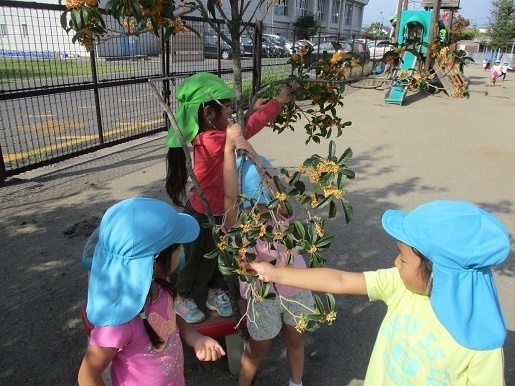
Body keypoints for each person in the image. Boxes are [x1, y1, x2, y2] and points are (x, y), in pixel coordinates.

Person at [246, 200, 510, 385]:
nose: (396, 263)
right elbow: (339, 280)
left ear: (440, 273)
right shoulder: (401, 284)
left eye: (403, 260)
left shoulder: (481, 343)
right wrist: (276, 273)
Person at [165, 72, 295, 323]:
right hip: (205, 214)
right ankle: (183, 297)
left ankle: (215, 292)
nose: (230, 113)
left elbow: (239, 126)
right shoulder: (212, 140)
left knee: (222, 255)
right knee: (198, 261)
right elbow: (247, 128)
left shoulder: (213, 133)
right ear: (209, 114)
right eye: (226, 108)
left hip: (222, 211)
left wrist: (256, 108)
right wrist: (277, 102)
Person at [78, 197, 226, 385]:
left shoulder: (159, 284)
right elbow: (87, 375)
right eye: (177, 248)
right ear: (154, 261)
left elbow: (169, 318)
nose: (180, 251)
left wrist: (196, 338)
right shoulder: (117, 325)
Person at [223, 124, 313, 386]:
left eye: (266, 200)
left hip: (297, 287)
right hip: (261, 297)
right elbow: (229, 194)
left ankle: (296, 383)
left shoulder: (281, 213)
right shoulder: (237, 225)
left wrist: (250, 150)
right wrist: (229, 150)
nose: (262, 207)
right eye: (256, 202)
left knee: (295, 340)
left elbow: (276, 186)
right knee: (257, 349)